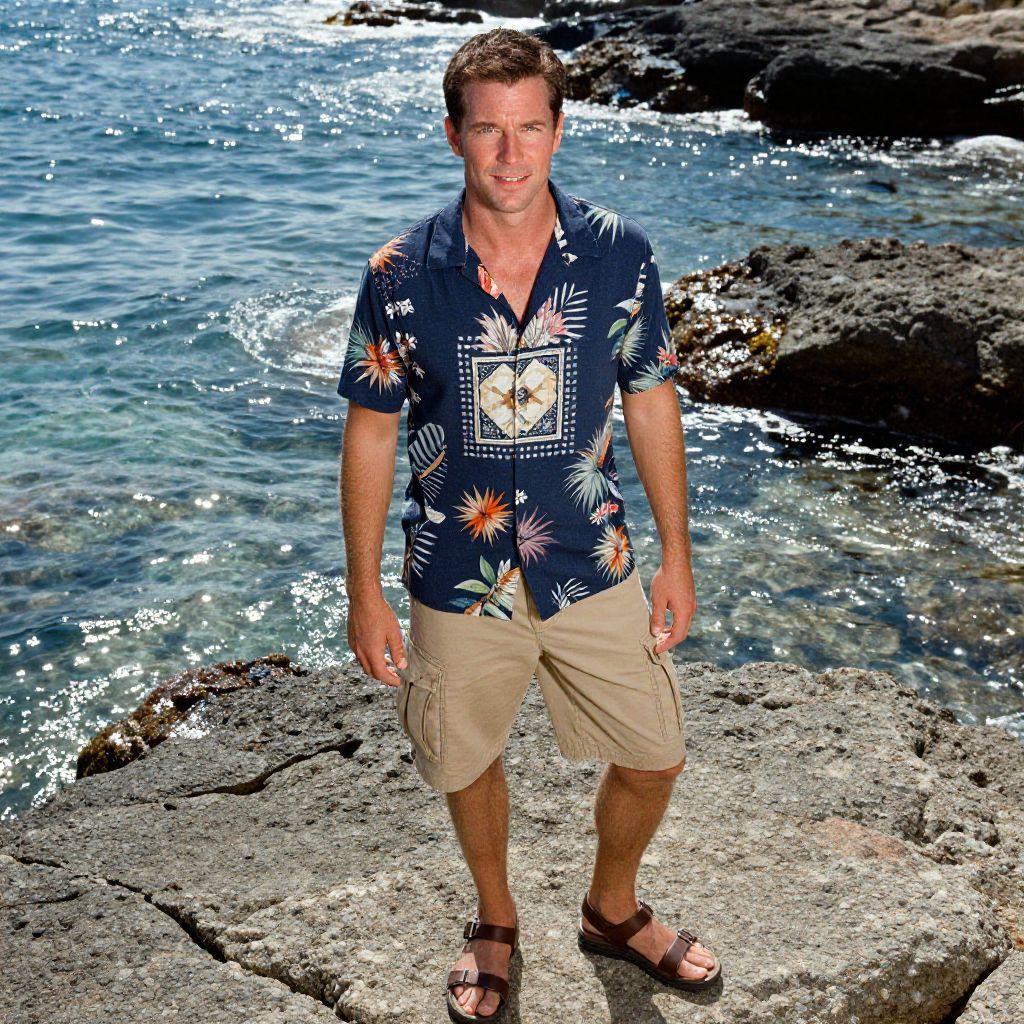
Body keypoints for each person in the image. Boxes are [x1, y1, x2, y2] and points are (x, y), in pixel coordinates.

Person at [337, 26, 722, 1022]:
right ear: (454, 135)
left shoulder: (617, 256)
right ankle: (496, 916)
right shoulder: (396, 273)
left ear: (557, 130)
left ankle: (610, 907)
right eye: (486, 131)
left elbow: (650, 400)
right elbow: (371, 434)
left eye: (528, 129)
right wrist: (363, 589)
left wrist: (677, 555)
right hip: (454, 570)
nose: (508, 154)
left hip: (591, 558)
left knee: (655, 750)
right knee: (465, 758)